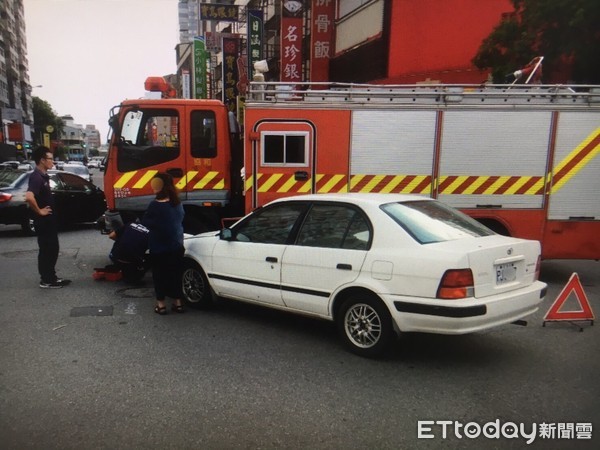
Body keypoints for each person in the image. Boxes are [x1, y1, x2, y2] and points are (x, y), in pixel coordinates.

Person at [25, 146, 71, 288]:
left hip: (48, 222)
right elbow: (29, 196)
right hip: (43, 222)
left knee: (52, 249)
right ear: (42, 160)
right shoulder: (36, 177)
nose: (53, 161)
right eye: (50, 159)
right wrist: (39, 211)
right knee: (47, 250)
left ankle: (51, 277)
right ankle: (46, 280)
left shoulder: (43, 176)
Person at [142, 172, 185, 314]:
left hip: (159, 247)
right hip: (177, 245)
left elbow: (146, 222)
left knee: (159, 275)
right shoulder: (177, 203)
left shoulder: (155, 205)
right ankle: (178, 303)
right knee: (175, 274)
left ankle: (161, 305)